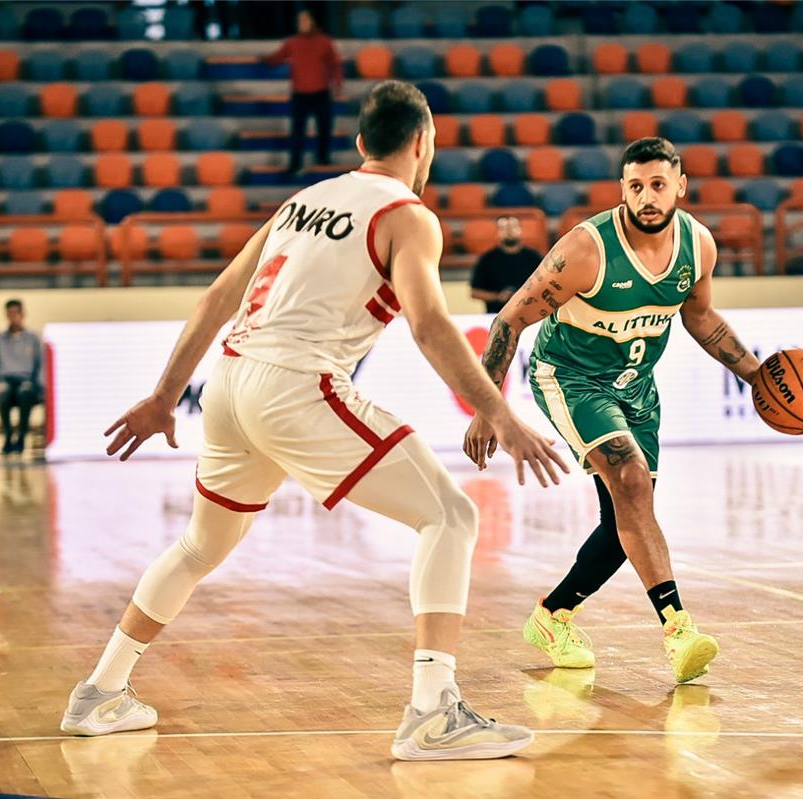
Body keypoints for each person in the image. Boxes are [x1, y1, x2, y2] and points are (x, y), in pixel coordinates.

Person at [60, 81, 569, 762]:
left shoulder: (302, 201)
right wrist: (498, 411)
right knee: (451, 516)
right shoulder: (408, 215)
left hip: (230, 381)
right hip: (297, 384)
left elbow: (218, 297)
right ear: (424, 143)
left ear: (361, 143)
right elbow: (428, 323)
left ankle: (100, 691)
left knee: (200, 546)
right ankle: (432, 711)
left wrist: (164, 397)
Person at [463, 137, 762, 684]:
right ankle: (678, 630)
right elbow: (508, 320)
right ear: (621, 189)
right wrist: (488, 408)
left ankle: (552, 615)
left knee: (625, 518)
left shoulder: (698, 245)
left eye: (657, 184)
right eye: (635, 186)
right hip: (570, 377)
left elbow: (700, 317)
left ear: (680, 186)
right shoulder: (587, 250)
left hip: (636, 387)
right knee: (631, 482)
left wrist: (757, 376)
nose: (647, 197)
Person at [264, 8, 343, 173]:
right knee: (298, 131)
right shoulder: (293, 42)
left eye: (305, 20)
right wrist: (264, 59)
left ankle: (323, 157)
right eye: (299, 21)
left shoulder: (324, 42)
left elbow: (334, 64)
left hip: (321, 91)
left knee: (324, 127)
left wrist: (337, 83)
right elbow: (277, 58)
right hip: (300, 93)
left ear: (312, 22)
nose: (302, 24)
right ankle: (295, 163)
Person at [0, 299, 45, 456]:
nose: (13, 317)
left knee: (25, 392)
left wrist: (41, 386)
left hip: (27, 380)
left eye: (16, 313)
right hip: (5, 379)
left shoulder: (33, 338)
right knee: (2, 392)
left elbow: (42, 364)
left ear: (23, 314)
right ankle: (8, 434)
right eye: (10, 314)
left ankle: (22, 436)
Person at [469, 216, 543, 314]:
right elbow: (474, 292)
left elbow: (545, 285)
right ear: (497, 232)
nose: (509, 231)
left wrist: (525, 295)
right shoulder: (487, 259)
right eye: (504, 228)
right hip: (496, 314)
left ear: (521, 230)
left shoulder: (534, 257)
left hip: (530, 313)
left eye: (513, 227)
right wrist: (498, 296)